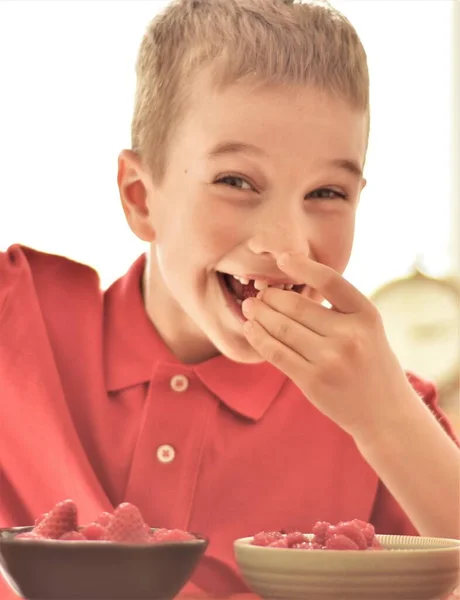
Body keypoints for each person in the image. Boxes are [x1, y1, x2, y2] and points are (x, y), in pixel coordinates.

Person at [1, 0, 459, 595]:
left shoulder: (389, 411)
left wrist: (387, 421)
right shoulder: (18, 316)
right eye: (236, 182)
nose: (288, 243)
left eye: (326, 192)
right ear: (142, 198)